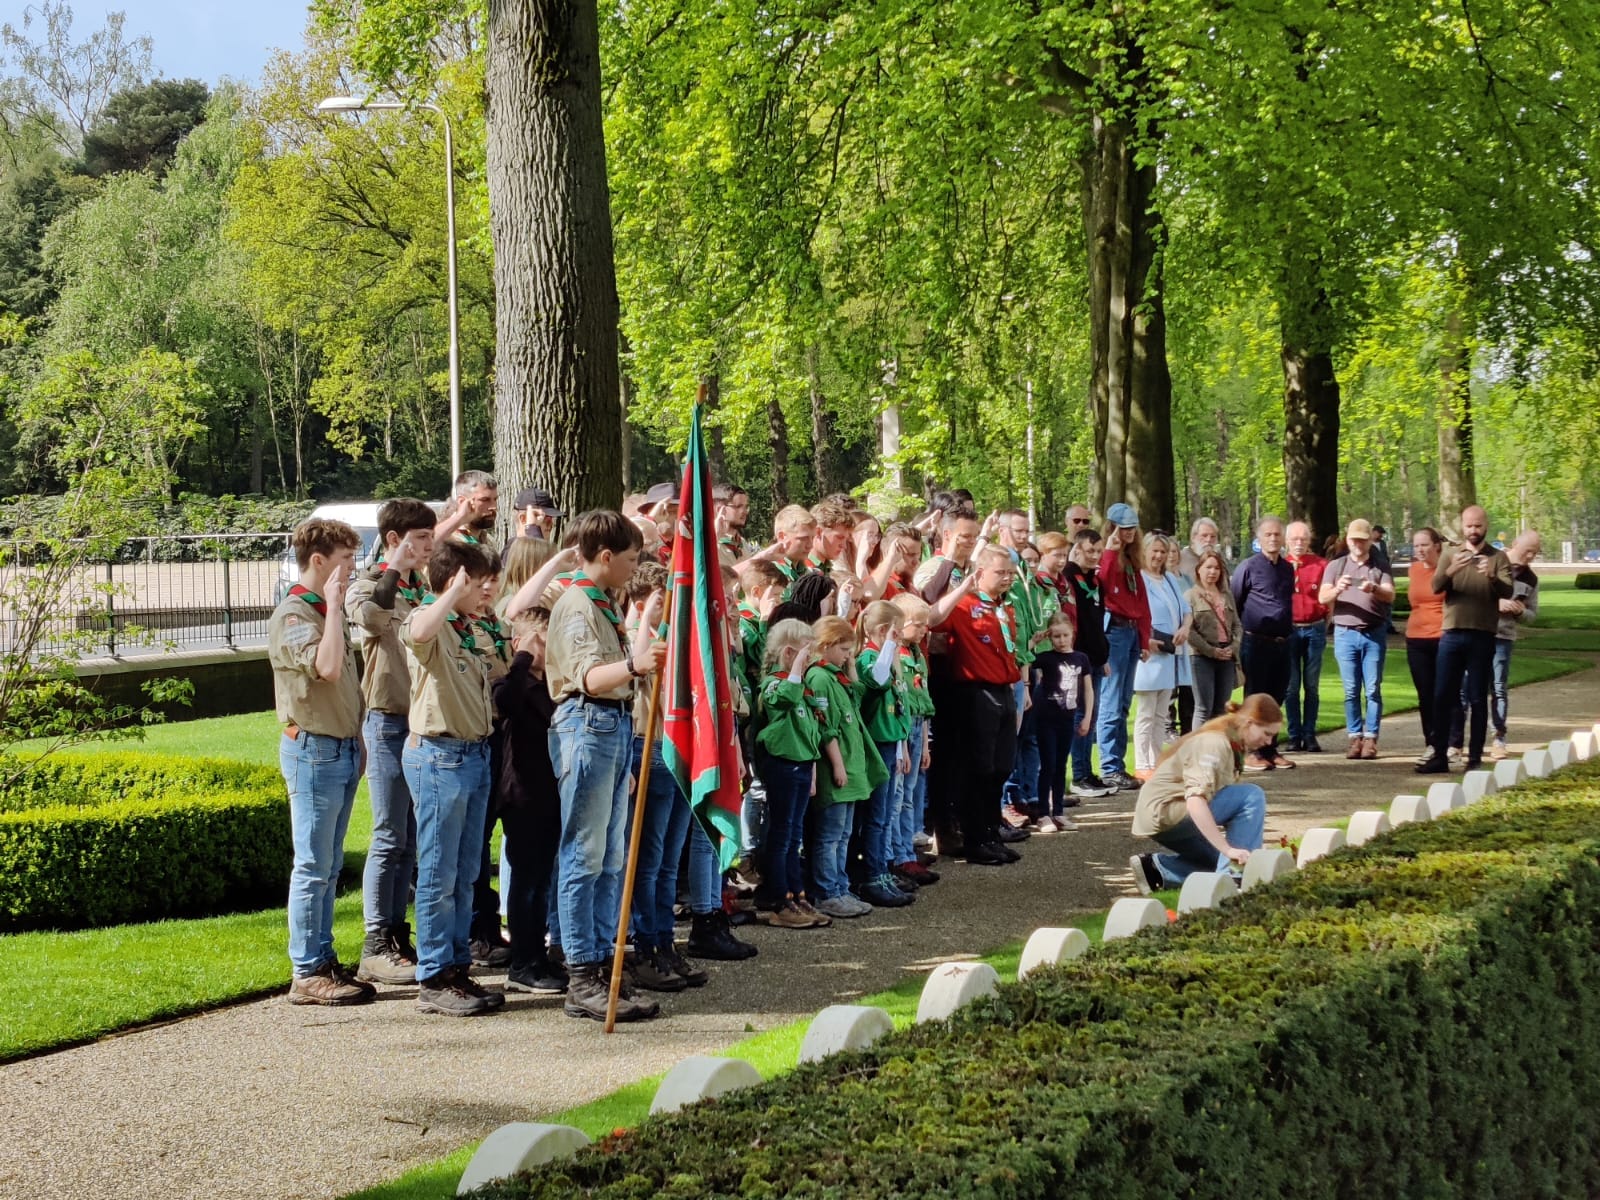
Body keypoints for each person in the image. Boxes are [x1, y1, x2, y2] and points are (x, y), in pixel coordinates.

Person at [544, 510, 667, 1021]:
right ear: (607, 556)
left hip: (612, 728)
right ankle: (582, 972)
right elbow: (590, 676)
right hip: (588, 723)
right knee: (585, 854)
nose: (635, 568)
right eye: (633, 558)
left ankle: (605, 964)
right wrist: (637, 664)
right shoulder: (577, 605)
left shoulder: (603, 603)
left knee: (611, 856)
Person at [400, 539, 509, 1017]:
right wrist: (447, 593)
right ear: (455, 580)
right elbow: (418, 630)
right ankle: (434, 976)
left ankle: (457, 968)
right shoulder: (432, 619)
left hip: (474, 755)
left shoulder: (467, 627)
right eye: (476, 580)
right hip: (440, 756)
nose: (485, 588)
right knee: (439, 874)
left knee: (466, 874)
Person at [271, 517, 371, 1007]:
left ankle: (323, 957)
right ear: (319, 561)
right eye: (347, 559)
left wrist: (358, 736)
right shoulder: (295, 615)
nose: (354, 568)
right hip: (312, 750)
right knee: (312, 866)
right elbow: (328, 669)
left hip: (341, 747)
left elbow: (346, 685)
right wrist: (333, 607)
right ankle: (307, 970)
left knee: (329, 867)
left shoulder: (322, 611)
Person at [343, 499, 435, 987]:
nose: (430, 546)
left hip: (421, 724)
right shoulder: (366, 584)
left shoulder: (423, 587)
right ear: (396, 538)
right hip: (387, 722)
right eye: (421, 537)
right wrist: (394, 570)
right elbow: (373, 618)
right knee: (388, 836)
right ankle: (376, 942)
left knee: (413, 839)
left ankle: (399, 935)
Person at [490, 607, 569, 995]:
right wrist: (523, 655)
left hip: (550, 794)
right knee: (526, 882)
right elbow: (504, 701)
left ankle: (537, 955)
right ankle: (524, 960)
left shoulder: (551, 686)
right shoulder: (515, 684)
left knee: (541, 880)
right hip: (523, 794)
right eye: (541, 641)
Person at [932, 545, 1027, 864]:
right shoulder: (964, 605)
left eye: (1010, 573)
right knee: (979, 768)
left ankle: (990, 832)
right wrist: (960, 591)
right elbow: (933, 621)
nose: (1007, 578)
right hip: (975, 691)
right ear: (980, 572)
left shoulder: (1004, 606)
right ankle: (975, 838)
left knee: (1002, 765)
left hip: (1003, 688)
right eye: (1000, 573)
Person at [1128, 694, 1280, 893]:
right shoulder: (1214, 744)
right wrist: (1228, 849)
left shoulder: (1231, 739)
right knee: (1251, 796)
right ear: (1250, 723)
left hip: (1160, 816)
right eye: (1267, 733)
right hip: (1168, 811)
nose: (1269, 742)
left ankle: (1157, 869)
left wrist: (1234, 850)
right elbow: (1195, 801)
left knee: (1216, 862)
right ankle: (1235, 878)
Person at [1417, 505, 1513, 774]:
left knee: (1477, 697)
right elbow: (1436, 587)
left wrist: (1491, 575)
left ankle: (1474, 758)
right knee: (1442, 695)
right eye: (1469, 526)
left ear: (1486, 526)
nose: (1473, 530)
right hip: (1452, 632)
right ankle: (1439, 754)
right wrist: (1451, 571)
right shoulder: (1450, 554)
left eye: (1478, 526)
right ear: (1463, 526)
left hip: (1482, 634)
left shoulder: (1498, 558)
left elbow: (1508, 590)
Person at [804, 615, 889, 917]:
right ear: (825, 646)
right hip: (838, 769)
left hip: (852, 768)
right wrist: (838, 765)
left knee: (843, 834)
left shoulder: (837, 676)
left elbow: (857, 694)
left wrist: (851, 667)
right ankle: (826, 891)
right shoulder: (819, 677)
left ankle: (840, 887)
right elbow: (827, 727)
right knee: (830, 835)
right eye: (843, 650)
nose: (847, 656)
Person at [753, 619, 830, 928]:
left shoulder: (800, 687)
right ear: (788, 653)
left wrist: (811, 769)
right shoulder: (775, 683)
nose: (809, 660)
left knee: (794, 833)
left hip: (800, 765)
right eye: (804, 654)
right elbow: (782, 699)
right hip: (782, 765)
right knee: (781, 833)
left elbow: (811, 730)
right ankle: (777, 898)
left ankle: (796, 895)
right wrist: (797, 668)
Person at [1449, 530, 1541, 761]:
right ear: (1514, 544)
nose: (1530, 556)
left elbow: (1532, 614)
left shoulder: (1530, 579)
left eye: (1535, 552)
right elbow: (1470, 593)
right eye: (1527, 550)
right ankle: (1456, 741)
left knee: (1498, 688)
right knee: (1465, 687)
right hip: (1477, 631)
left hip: (1504, 636)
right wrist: (1496, 601)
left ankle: (1499, 738)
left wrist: (1521, 611)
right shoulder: (1491, 562)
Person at [854, 601, 916, 908]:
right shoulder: (869, 658)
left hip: (892, 743)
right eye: (897, 631)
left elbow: (901, 707)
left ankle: (881, 870)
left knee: (885, 813)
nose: (902, 637)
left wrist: (903, 744)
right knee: (876, 816)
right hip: (875, 746)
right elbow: (877, 682)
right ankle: (871, 874)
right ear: (882, 631)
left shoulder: (891, 659)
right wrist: (888, 646)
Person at [1319, 519, 1395, 760]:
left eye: (1363, 540)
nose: (1358, 544)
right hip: (1345, 632)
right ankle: (1354, 737)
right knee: (1351, 689)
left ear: (1369, 540)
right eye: (1354, 540)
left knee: (1372, 689)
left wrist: (1373, 588)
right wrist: (1338, 589)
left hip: (1373, 631)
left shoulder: (1380, 565)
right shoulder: (1336, 566)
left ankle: (1371, 738)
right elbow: (1322, 597)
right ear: (1348, 540)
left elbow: (1390, 594)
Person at [1095, 503, 1155, 792]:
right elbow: (1102, 586)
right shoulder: (1108, 558)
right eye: (1123, 528)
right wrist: (1109, 550)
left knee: (1123, 702)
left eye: (1132, 528)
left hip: (1131, 634)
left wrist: (1144, 639)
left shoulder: (1133, 561)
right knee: (1110, 700)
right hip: (1114, 632)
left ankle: (1117, 765)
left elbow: (1142, 604)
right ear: (1112, 528)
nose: (1129, 533)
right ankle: (1109, 767)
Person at [1231, 516, 1296, 772]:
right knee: (1255, 699)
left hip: (1283, 642)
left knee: (1277, 697)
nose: (1273, 539)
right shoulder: (1248, 567)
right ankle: (1251, 750)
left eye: (1277, 535)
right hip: (1256, 641)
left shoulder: (1287, 568)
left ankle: (1270, 747)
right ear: (1258, 538)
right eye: (1268, 535)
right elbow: (1236, 602)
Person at [1133, 533, 1192, 775]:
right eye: (1154, 551)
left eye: (1163, 552)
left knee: (1160, 713)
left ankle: (1156, 760)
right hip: (1150, 652)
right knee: (1146, 712)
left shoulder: (1168, 578)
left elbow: (1186, 609)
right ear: (1144, 551)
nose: (1159, 556)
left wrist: (1185, 627)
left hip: (1171, 651)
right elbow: (1134, 613)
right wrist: (1145, 640)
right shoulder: (1140, 579)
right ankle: (1141, 763)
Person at [889, 593, 939, 881]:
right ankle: (899, 855)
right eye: (918, 625)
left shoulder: (917, 654)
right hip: (902, 729)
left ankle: (908, 850)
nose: (924, 631)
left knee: (909, 794)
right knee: (898, 797)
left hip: (918, 726)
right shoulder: (896, 653)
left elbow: (923, 697)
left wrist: (925, 741)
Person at [1030, 612, 1093, 833]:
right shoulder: (1046, 657)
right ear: (1050, 637)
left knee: (1060, 765)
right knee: (1048, 764)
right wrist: (1034, 642)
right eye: (1056, 636)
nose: (1061, 640)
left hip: (1068, 717)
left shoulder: (1081, 658)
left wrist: (1087, 717)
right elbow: (1024, 657)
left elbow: (1088, 689)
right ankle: (1042, 814)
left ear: (1072, 634)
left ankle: (1058, 811)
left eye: (1065, 635)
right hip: (1046, 717)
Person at [1064, 527, 1112, 797]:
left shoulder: (1096, 581)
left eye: (1098, 551)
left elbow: (1098, 622)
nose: (1095, 555)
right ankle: (1078, 775)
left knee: (1091, 716)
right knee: (1081, 716)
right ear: (1077, 549)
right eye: (1090, 550)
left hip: (1095, 656)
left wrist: (1103, 655)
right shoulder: (1069, 577)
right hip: (1078, 657)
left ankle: (1088, 771)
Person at [1282, 521, 1328, 753]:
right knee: (1291, 687)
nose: (1299, 543)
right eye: (1294, 539)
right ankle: (1293, 734)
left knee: (1311, 685)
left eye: (1303, 539)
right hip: (1289, 630)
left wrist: (1324, 622)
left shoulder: (1321, 565)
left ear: (1309, 540)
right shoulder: (1281, 566)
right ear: (1286, 541)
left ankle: (1309, 734)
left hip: (1314, 628)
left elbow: (1329, 599)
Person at [1184, 549, 1242, 728]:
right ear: (1199, 569)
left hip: (1226, 657)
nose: (1212, 572)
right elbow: (1189, 631)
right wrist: (1211, 651)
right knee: (1203, 708)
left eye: (1217, 568)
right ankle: (1199, 749)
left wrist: (1233, 647)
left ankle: (1218, 748)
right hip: (1201, 658)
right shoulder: (1190, 596)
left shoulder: (1227, 596)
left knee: (1221, 709)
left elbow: (1237, 625)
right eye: (1208, 567)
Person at [1404, 527, 1446, 763]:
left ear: (1436, 546)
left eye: (1424, 545)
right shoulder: (1414, 570)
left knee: (1445, 694)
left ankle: (1451, 743)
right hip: (1416, 638)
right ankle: (1431, 742)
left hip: (1442, 636)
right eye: (1416, 545)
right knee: (1425, 694)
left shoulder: (1446, 569)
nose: (1420, 550)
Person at [439, 470, 500, 552]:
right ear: (462, 502)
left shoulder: (489, 541)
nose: (493, 507)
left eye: (495, 499)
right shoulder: (446, 543)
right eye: (485, 500)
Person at [1177, 517, 1224, 582]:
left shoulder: (1219, 559)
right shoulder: (1180, 558)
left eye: (1212, 536)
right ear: (1193, 538)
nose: (1209, 540)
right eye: (1204, 536)